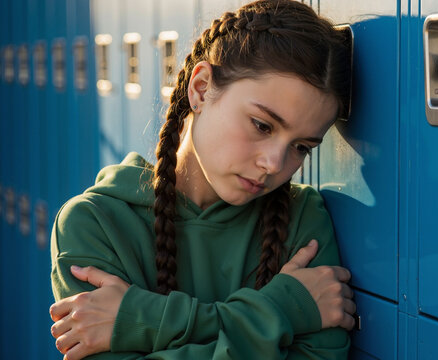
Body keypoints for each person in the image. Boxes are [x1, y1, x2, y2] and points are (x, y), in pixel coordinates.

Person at [48, 1, 355, 359]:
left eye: (302, 147)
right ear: (201, 88)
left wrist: (141, 318)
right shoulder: (95, 223)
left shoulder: (303, 218)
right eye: (262, 125)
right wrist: (281, 310)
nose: (274, 164)